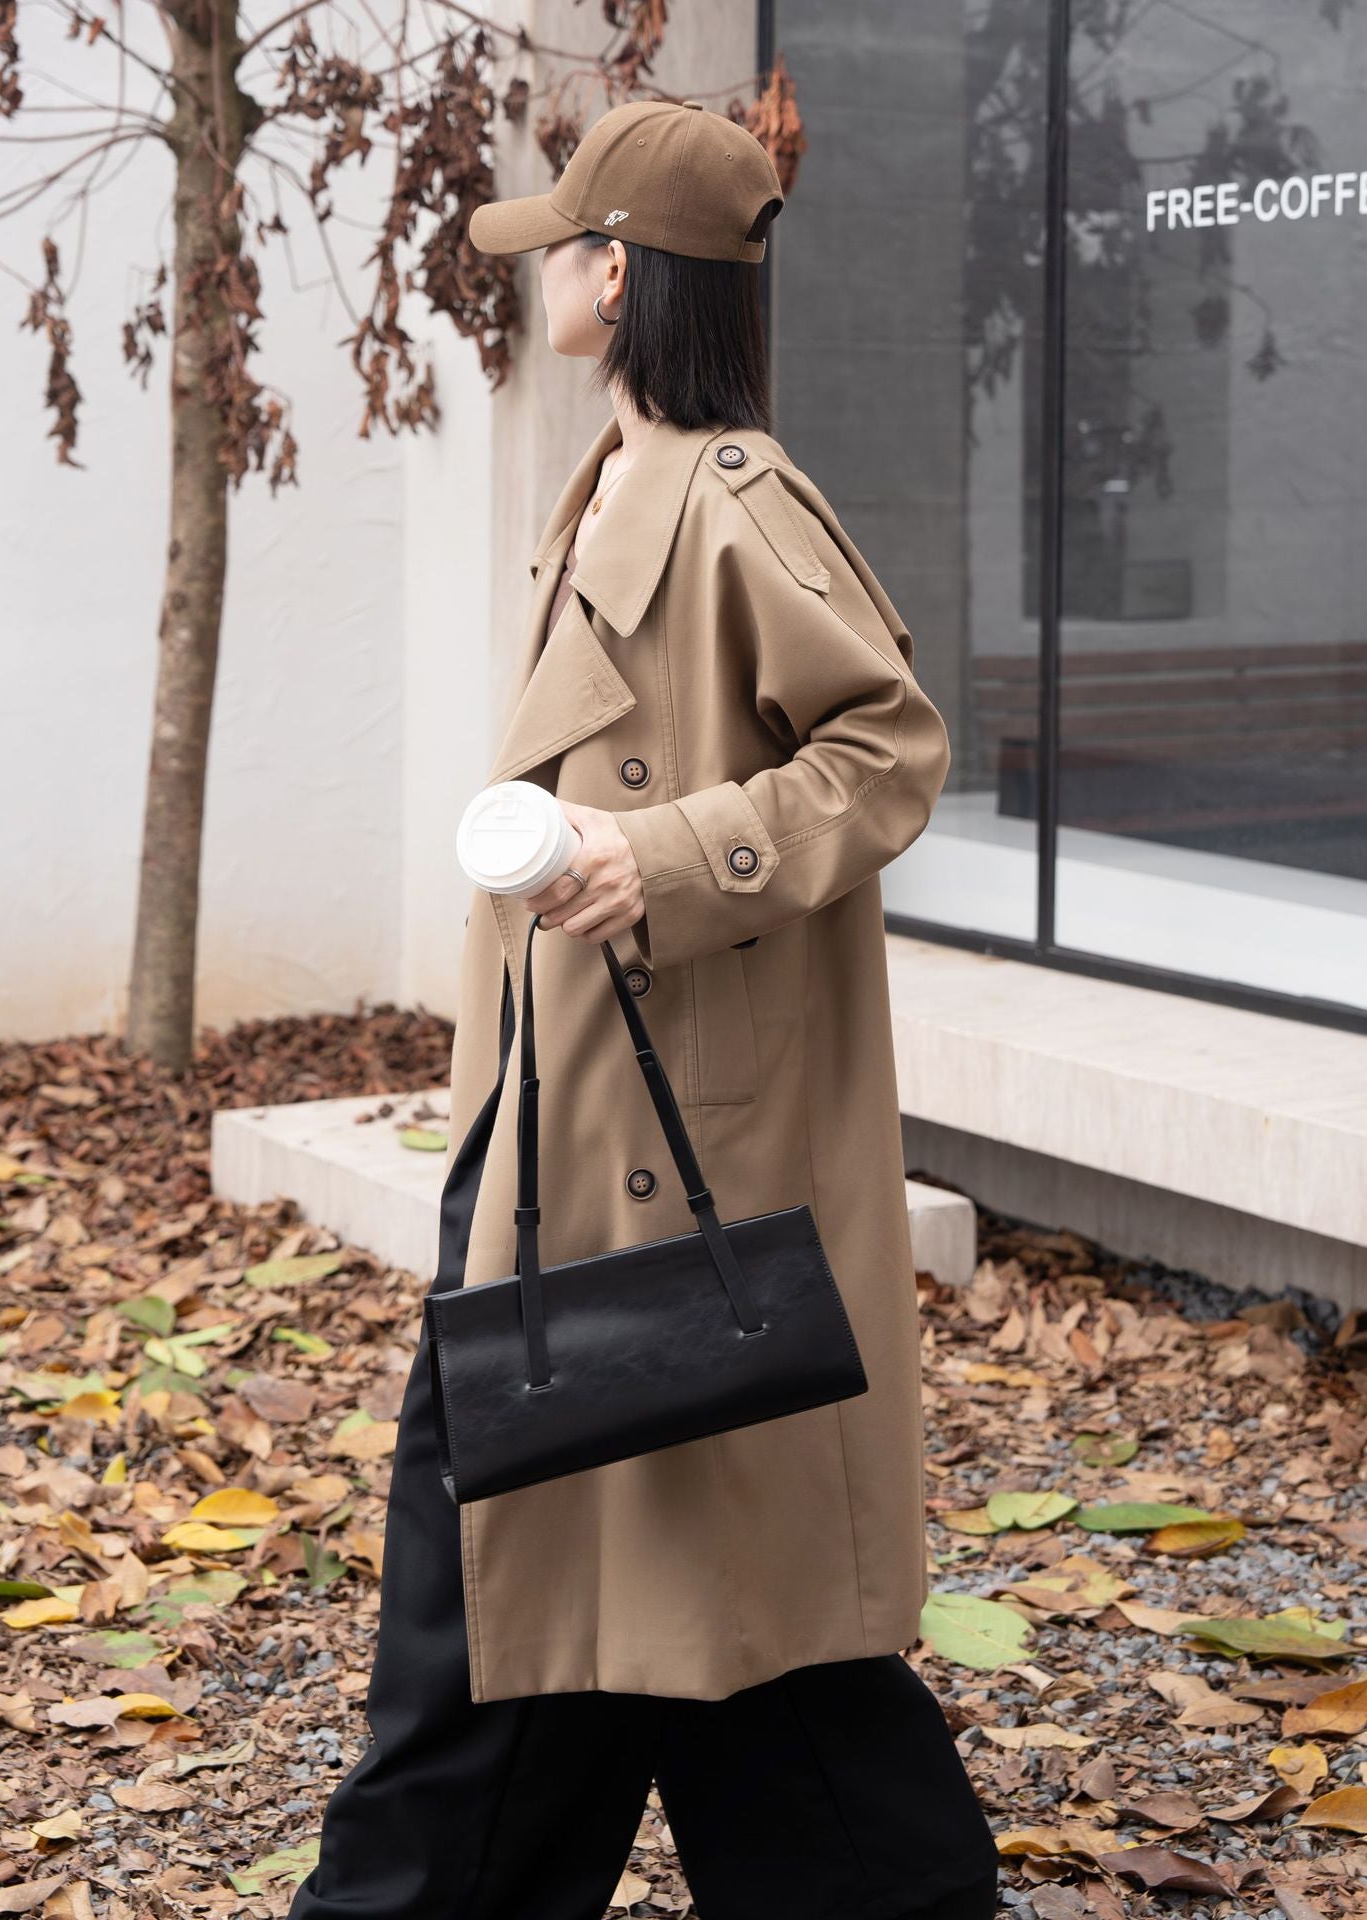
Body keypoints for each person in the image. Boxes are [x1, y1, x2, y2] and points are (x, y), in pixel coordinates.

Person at [288, 96, 999, 1920]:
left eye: (570, 251)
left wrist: (670, 856)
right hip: (560, 1133)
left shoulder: (730, 496)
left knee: (585, 1595)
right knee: (632, 1610)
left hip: (671, 1157)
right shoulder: (612, 479)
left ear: (623, 273)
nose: (550, 279)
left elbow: (889, 748)